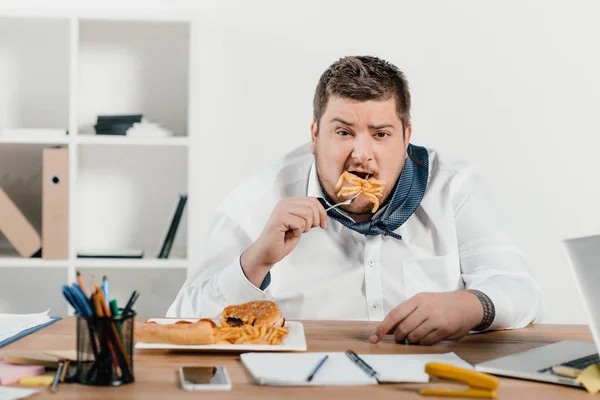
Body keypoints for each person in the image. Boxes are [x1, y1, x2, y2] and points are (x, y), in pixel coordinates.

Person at [167, 55, 544, 345]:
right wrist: (254, 262)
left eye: (380, 134)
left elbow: (523, 291)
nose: (362, 154)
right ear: (315, 134)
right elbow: (178, 321)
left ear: (406, 135)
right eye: (344, 132)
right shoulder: (258, 199)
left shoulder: (453, 187)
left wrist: (470, 305)